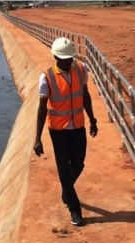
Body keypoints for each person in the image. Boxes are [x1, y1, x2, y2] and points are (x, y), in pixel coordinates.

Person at [33, 37, 98, 226]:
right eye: (64, 59)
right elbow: (42, 108)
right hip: (58, 130)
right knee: (63, 169)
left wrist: (93, 119)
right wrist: (37, 138)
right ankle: (75, 209)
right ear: (55, 56)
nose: (68, 62)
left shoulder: (81, 69)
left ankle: (66, 189)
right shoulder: (46, 77)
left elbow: (85, 96)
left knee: (78, 164)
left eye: (70, 58)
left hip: (78, 126)